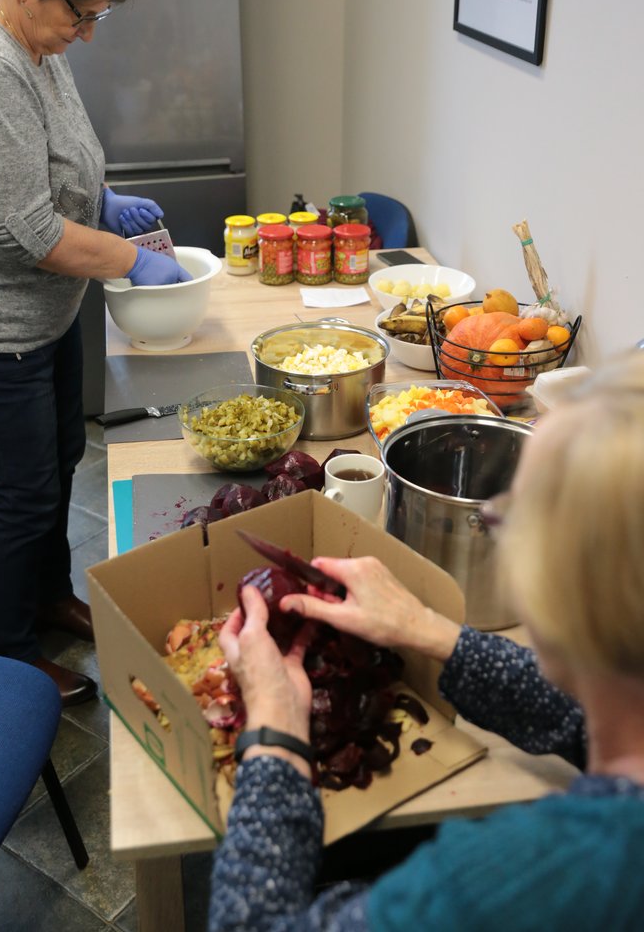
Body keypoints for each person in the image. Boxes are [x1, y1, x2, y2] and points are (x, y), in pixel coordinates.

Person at [209, 350, 644, 930]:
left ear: (565, 588)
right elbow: (586, 722)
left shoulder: (528, 878)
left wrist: (274, 739)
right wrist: (434, 633)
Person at [0, 0, 192, 705]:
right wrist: (125, 256)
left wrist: (103, 202)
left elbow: (54, 165)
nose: (84, 33)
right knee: (25, 488)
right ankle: (4, 650)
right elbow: (26, 231)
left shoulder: (39, 47)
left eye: (95, 18)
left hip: (46, 310)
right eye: (80, 13)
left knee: (62, 457)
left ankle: (47, 598)